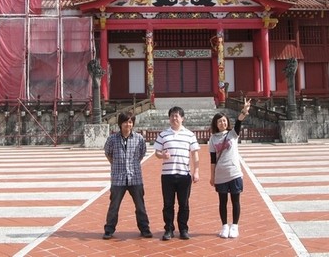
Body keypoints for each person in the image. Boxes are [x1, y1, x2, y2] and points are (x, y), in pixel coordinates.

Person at [103, 111, 152, 240]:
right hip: (118, 178)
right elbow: (108, 153)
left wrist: (132, 165)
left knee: (140, 206)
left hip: (135, 177)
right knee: (114, 206)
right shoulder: (112, 139)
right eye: (125, 122)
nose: (128, 124)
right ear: (120, 123)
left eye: (130, 122)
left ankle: (145, 229)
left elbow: (141, 154)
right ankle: (109, 229)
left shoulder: (139, 139)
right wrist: (115, 164)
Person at [154, 106, 200, 241]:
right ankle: (168, 229)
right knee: (168, 204)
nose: (175, 118)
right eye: (172, 116)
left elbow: (195, 155)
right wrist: (162, 155)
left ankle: (183, 229)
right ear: (169, 118)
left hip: (184, 175)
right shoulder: (163, 134)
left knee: (184, 204)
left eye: (177, 116)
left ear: (182, 118)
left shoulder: (190, 135)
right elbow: (156, 153)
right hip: (167, 175)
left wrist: (196, 171)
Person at [208, 98, 251, 238]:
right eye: (219, 121)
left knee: (235, 200)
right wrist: (212, 176)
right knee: (222, 201)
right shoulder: (212, 139)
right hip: (221, 175)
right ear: (216, 124)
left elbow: (239, 121)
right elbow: (212, 160)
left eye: (224, 120)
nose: (222, 123)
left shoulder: (233, 134)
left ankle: (235, 226)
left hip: (234, 173)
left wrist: (244, 111)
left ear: (227, 122)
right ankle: (224, 226)